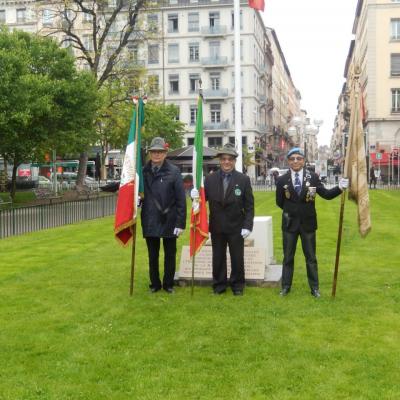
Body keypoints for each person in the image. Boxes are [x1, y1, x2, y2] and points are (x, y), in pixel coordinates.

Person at [276, 147, 349, 298]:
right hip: (289, 224)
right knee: (288, 257)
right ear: (288, 161)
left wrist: (340, 188)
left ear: (303, 160)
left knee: (311, 257)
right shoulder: (282, 180)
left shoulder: (313, 177)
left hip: (307, 224)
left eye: (298, 158)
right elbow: (280, 202)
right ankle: (285, 287)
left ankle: (314, 288)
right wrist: (294, 211)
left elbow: (326, 195)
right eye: (292, 158)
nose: (295, 161)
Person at [198, 143, 254, 296]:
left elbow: (249, 206)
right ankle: (219, 285)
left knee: (237, 257)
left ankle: (237, 285)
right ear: (219, 161)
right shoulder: (209, 180)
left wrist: (247, 226)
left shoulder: (243, 180)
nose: (226, 162)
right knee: (218, 257)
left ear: (234, 161)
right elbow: (203, 201)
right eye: (223, 159)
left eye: (230, 159)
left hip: (236, 226)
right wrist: (196, 197)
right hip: (217, 226)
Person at [141, 137, 186, 294]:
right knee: (152, 255)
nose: (157, 155)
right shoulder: (143, 171)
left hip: (169, 219)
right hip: (150, 217)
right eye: (154, 152)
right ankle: (154, 284)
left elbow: (181, 200)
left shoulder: (174, 171)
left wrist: (180, 223)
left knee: (170, 254)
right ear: (150, 153)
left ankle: (168, 284)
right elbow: (139, 194)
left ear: (165, 153)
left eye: (160, 152)